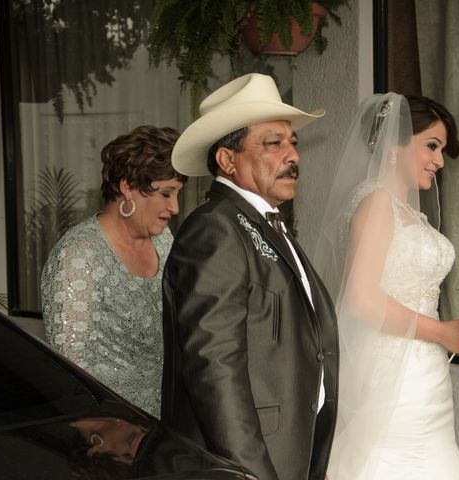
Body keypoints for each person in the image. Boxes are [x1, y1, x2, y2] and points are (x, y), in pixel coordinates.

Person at [161, 73, 339, 480]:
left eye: (293, 142)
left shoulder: (265, 225)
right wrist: (253, 474)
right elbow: (214, 366)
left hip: (291, 455)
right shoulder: (215, 228)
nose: (291, 155)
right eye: (273, 143)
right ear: (228, 160)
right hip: (247, 465)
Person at [314, 93, 459, 479]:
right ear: (395, 143)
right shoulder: (376, 204)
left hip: (422, 377)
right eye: (431, 146)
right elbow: (362, 300)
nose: (439, 161)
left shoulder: (407, 213)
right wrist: (442, 332)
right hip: (394, 379)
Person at [42, 125, 187, 418]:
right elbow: (73, 372)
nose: (175, 207)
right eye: (166, 193)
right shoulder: (79, 255)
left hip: (171, 419)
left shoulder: (163, 239)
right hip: (114, 430)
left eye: (177, 194)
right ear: (127, 187)